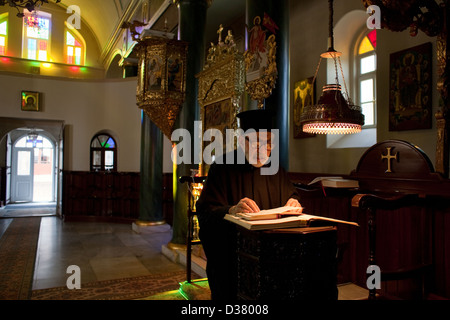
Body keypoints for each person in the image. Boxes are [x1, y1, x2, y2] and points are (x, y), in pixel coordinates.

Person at [196, 109, 302, 300]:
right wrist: (231, 210)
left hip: (271, 261)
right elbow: (205, 212)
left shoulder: (276, 168)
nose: (263, 150)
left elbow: (291, 194)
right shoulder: (222, 167)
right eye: (257, 143)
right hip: (232, 263)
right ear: (243, 141)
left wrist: (293, 202)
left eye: (268, 143)